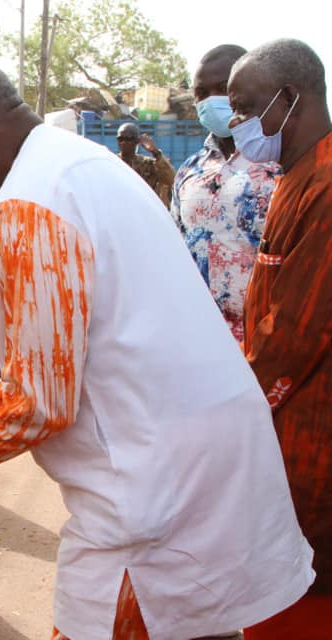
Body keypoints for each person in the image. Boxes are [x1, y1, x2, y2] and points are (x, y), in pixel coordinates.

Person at [0, 58, 313, 640]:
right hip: (200, 457)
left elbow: (41, 402)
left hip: (149, 487)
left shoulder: (29, 204)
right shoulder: (80, 165)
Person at [227, 39, 332, 639]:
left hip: (310, 438)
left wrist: (227, 410)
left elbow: (293, 333)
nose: (236, 123)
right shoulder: (295, 173)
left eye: (244, 108)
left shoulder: (325, 183)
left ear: (289, 99)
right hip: (284, 430)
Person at [170, 45, 279, 342]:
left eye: (222, 88)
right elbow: (177, 252)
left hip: (267, 342)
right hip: (201, 340)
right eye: (201, 93)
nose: (211, 100)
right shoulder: (189, 173)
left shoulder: (282, 166)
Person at [115, 122, 176, 207]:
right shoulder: (113, 163)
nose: (123, 142)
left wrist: (155, 152)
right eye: (120, 139)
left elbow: (171, 179)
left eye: (128, 139)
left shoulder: (148, 164)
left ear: (136, 141)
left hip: (143, 210)